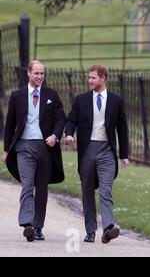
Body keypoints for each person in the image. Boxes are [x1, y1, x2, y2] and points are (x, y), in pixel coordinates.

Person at [2, 60, 66, 242]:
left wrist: (55, 135)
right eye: (36, 73)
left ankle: (38, 227)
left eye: (42, 74)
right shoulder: (17, 96)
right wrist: (6, 150)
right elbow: (10, 125)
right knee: (27, 185)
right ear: (28, 74)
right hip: (23, 147)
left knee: (42, 189)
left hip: (45, 148)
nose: (39, 77)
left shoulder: (52, 95)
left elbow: (61, 119)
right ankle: (27, 224)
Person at [65, 64, 129, 244]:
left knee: (106, 190)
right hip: (87, 150)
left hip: (107, 151)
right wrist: (69, 134)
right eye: (89, 77)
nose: (89, 81)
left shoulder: (116, 101)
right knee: (87, 191)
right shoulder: (81, 99)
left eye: (93, 78)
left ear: (103, 78)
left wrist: (124, 154)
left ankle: (108, 227)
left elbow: (122, 128)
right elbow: (71, 119)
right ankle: (90, 230)